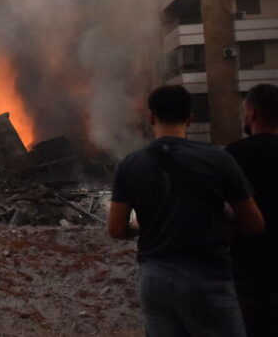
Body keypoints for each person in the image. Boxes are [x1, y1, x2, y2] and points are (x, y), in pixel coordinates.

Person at [108, 85, 264, 337]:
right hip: (207, 275)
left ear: (151, 117)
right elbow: (254, 223)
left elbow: (116, 229)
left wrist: (138, 226)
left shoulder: (131, 164)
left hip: (154, 278)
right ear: (190, 118)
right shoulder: (218, 158)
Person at [226, 83, 278, 336]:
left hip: (250, 270)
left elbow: (222, 210)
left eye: (245, 111)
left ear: (253, 113)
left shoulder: (235, 154)